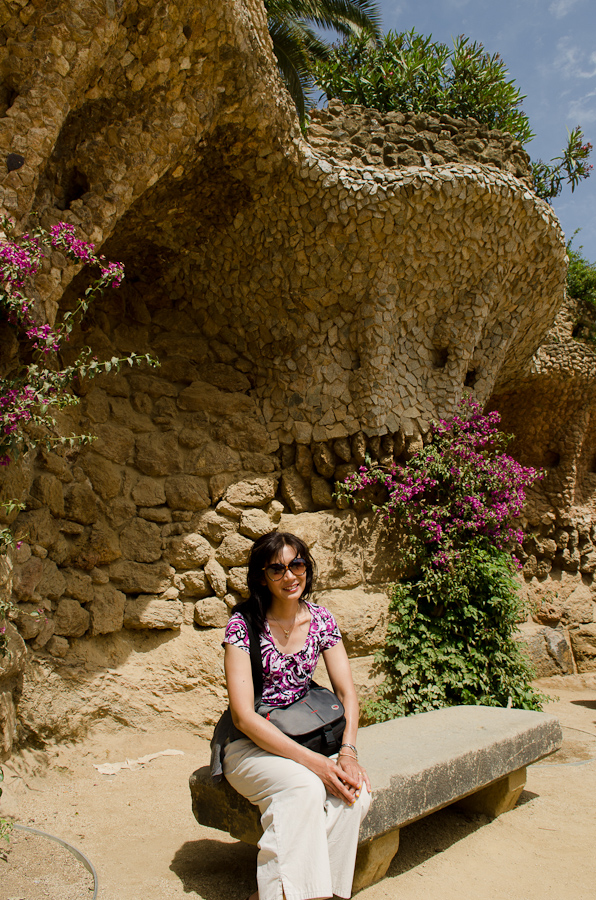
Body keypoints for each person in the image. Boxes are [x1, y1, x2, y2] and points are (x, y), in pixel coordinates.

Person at [219, 530, 371, 900]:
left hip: (308, 735)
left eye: (297, 564)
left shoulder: (320, 620)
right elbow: (242, 717)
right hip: (251, 745)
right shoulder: (243, 626)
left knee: (356, 794)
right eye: (277, 569)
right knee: (303, 788)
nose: (290, 576)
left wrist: (347, 753)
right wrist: (316, 764)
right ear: (261, 577)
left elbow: (348, 693)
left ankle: (308, 894)